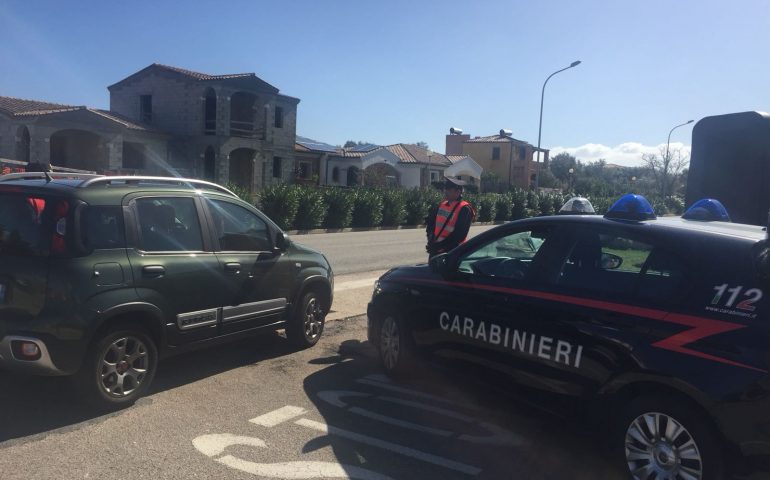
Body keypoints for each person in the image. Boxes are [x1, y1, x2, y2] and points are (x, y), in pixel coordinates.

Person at [426, 177, 476, 258]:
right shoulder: (442, 204)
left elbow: (459, 236)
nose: (445, 192)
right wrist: (431, 240)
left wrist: (440, 246)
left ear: (458, 192)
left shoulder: (465, 209)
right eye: (445, 189)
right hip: (436, 250)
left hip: (452, 252)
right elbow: (431, 224)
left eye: (449, 190)